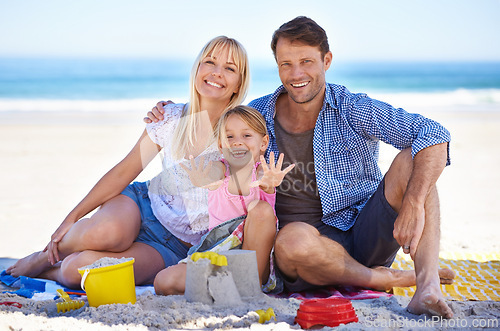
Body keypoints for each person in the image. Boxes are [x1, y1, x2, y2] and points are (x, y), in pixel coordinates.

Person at [146, 17, 455, 318]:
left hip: (365, 232)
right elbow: (222, 138)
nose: (296, 74)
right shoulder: (259, 114)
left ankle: (427, 288)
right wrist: (173, 114)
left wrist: (413, 202)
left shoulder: (351, 106)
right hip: (299, 248)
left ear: (327, 60)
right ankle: (382, 279)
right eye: (286, 64)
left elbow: (432, 133)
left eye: (306, 61)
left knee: (414, 159)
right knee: (292, 241)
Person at [6, 36, 251, 289]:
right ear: (198, 68)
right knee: (106, 233)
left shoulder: (241, 134)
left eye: (230, 68)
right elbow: (126, 170)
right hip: (142, 203)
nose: (216, 72)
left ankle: (52, 270)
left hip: (175, 244)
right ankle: (44, 256)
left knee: (75, 271)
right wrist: (73, 217)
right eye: (209, 61)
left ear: (238, 84)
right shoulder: (169, 117)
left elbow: (245, 189)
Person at [154, 105, 294, 295]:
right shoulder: (220, 169)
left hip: (255, 257)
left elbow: (264, 179)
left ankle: (250, 283)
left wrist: (269, 182)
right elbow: (212, 174)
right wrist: (202, 179)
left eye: (246, 136)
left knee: (260, 208)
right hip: (220, 252)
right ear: (220, 145)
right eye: (229, 137)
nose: (237, 142)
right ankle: (229, 286)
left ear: (263, 143)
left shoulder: (262, 172)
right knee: (164, 281)